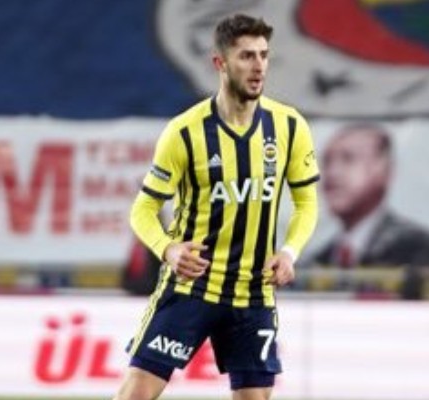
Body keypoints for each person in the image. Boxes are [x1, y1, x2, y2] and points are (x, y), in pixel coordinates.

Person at [113, 14, 319, 400]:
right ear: (220, 63)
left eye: (264, 55)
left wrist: (290, 252)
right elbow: (143, 209)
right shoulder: (184, 132)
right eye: (246, 56)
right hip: (192, 287)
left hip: (253, 293)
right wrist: (168, 249)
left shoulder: (290, 127)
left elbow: (307, 203)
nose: (258, 66)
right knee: (136, 394)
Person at [310, 123, 429, 269]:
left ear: (383, 170)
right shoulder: (317, 261)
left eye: (348, 159)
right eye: (327, 161)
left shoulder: (422, 250)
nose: (333, 173)